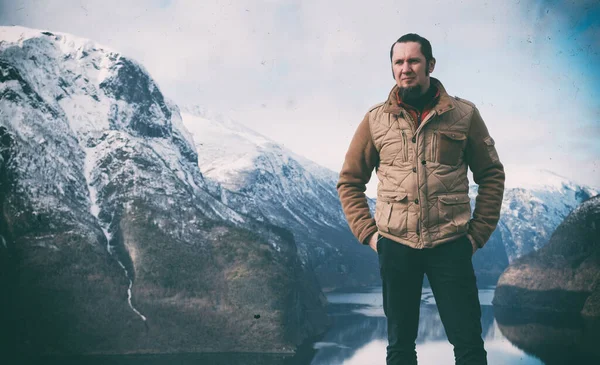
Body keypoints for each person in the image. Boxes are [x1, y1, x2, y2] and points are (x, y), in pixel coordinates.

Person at [336, 33, 505, 365]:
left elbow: (492, 175)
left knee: (469, 345)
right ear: (392, 69)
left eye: (413, 61)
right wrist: (371, 236)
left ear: (430, 64)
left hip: (451, 245)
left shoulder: (464, 115)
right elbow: (350, 181)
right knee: (400, 348)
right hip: (396, 247)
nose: (406, 69)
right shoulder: (375, 120)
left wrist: (476, 236)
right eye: (398, 62)